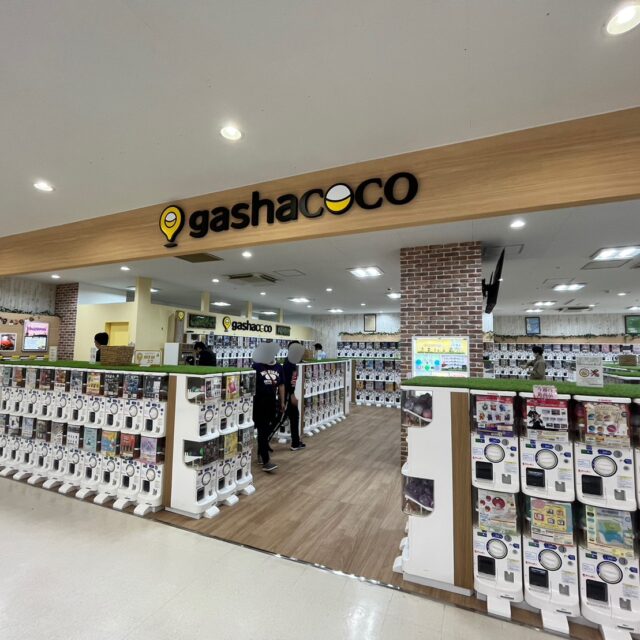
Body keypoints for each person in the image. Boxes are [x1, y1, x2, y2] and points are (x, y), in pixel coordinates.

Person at [252, 343, 285, 472]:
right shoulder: (256, 366)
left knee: (266, 430)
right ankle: (266, 460)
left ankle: (262, 451)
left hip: (272, 402)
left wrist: (282, 401)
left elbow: (281, 385)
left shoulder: (278, 367)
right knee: (262, 429)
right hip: (259, 403)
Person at [283, 341, 306, 452]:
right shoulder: (290, 363)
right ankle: (295, 443)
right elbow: (288, 381)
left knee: (293, 417)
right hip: (288, 395)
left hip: (288, 394)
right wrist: (291, 394)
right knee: (291, 417)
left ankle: (296, 442)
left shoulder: (291, 361)